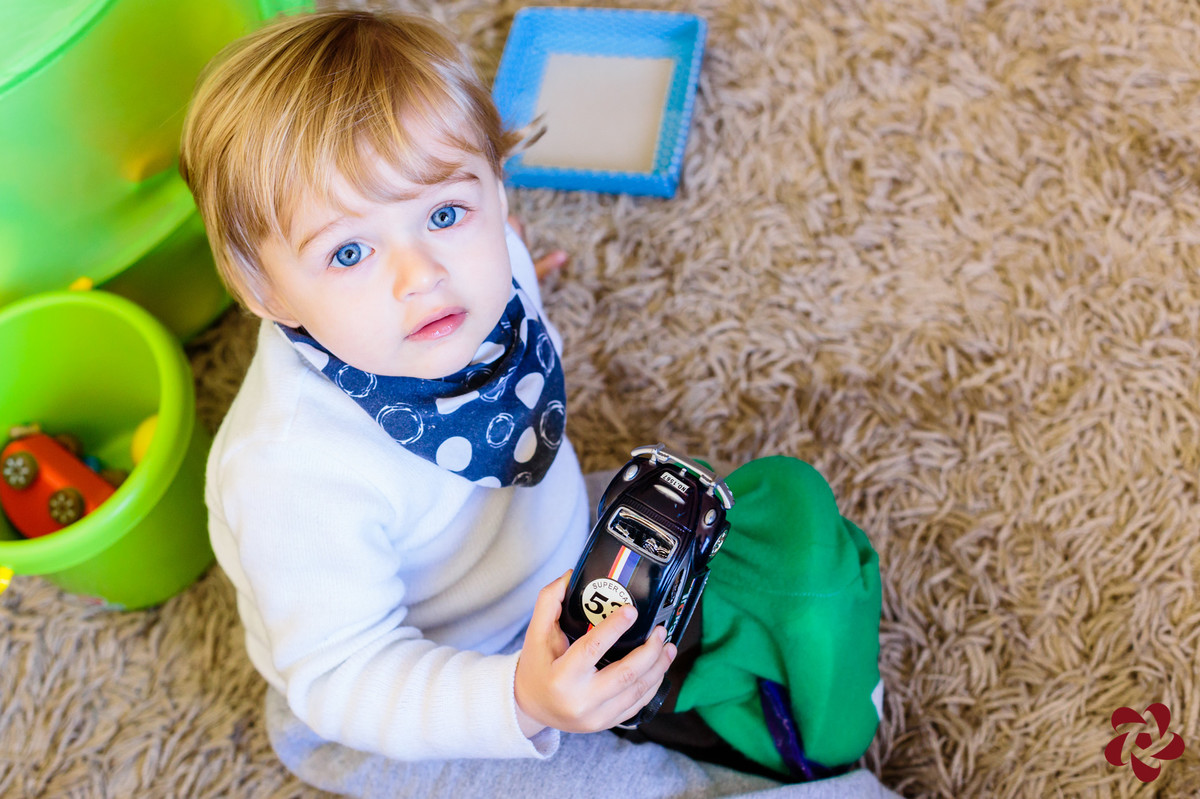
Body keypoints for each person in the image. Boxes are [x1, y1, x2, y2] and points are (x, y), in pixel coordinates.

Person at [180, 9, 898, 798]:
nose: (422, 275)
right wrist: (520, 699)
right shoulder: (289, 473)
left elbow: (480, 251)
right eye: (349, 252)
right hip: (425, 691)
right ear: (263, 291)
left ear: (497, 188)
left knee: (756, 533)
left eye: (445, 213)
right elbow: (342, 675)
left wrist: (503, 258)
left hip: (545, 560)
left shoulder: (482, 270)